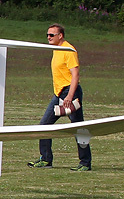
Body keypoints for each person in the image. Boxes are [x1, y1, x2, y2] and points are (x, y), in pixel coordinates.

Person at [28, 24, 91, 171]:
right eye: (47, 35)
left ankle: (85, 163)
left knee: (78, 128)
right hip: (59, 94)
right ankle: (45, 159)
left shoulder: (69, 50)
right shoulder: (57, 49)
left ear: (60, 36)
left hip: (70, 92)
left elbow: (75, 75)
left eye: (52, 35)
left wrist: (70, 96)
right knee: (44, 126)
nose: (48, 37)